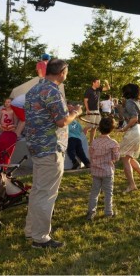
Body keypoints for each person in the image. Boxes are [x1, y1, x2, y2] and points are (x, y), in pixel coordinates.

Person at [24, 59, 82, 249]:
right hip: (50, 148)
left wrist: (68, 112)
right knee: (46, 193)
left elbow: (48, 115)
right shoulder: (53, 91)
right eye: (67, 72)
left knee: (38, 190)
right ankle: (41, 238)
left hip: (36, 147)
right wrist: (76, 113)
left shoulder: (34, 90)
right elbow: (62, 121)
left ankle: (31, 230)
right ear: (62, 72)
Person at [118, 83, 140, 192]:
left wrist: (124, 128)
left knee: (125, 158)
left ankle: (132, 185)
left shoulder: (129, 102)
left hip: (134, 129)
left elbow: (134, 118)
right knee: (130, 156)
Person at [86, 117, 120, 221]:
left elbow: (91, 155)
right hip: (107, 172)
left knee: (94, 192)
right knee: (108, 193)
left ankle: (91, 212)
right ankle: (108, 212)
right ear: (112, 128)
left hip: (96, 171)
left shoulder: (94, 142)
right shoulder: (113, 143)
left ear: (99, 128)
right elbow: (116, 157)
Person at [83, 78, 111, 143]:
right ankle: (81, 141)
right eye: (98, 82)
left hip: (97, 111)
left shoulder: (98, 89)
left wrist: (106, 82)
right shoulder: (89, 90)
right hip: (91, 111)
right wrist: (87, 110)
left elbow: (108, 88)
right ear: (93, 83)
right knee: (88, 127)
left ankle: (91, 142)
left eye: (99, 82)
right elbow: (85, 101)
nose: (99, 84)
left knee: (95, 127)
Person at [67, 103, 91, 170]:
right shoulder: (76, 122)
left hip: (71, 138)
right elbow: (81, 130)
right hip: (78, 139)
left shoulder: (67, 120)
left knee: (71, 150)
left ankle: (74, 161)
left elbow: (68, 129)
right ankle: (87, 163)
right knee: (80, 152)